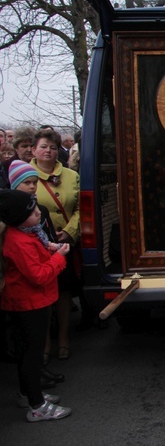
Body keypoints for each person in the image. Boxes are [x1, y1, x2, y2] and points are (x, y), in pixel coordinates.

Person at [0, 189, 72, 421]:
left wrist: (51, 249)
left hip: (30, 301)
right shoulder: (19, 241)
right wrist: (59, 257)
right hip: (29, 303)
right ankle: (37, 406)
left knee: (26, 352)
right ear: (19, 217)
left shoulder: (26, 233)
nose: (38, 212)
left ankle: (28, 393)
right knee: (31, 355)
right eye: (32, 211)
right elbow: (39, 275)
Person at [31, 130, 81, 362]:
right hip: (36, 245)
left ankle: (63, 339)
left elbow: (81, 207)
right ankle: (44, 344)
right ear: (34, 150)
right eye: (43, 146)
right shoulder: (25, 175)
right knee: (41, 296)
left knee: (63, 293)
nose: (48, 151)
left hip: (65, 244)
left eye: (52, 147)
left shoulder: (71, 175)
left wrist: (70, 232)